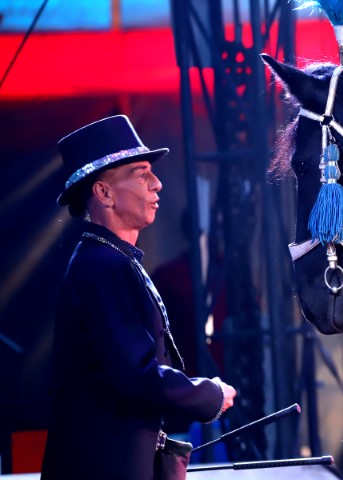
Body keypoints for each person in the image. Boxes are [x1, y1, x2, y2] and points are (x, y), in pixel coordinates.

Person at [41, 115, 236, 480]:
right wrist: (208, 394)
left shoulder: (111, 260)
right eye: (141, 173)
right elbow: (138, 374)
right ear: (104, 193)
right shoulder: (103, 266)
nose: (157, 184)